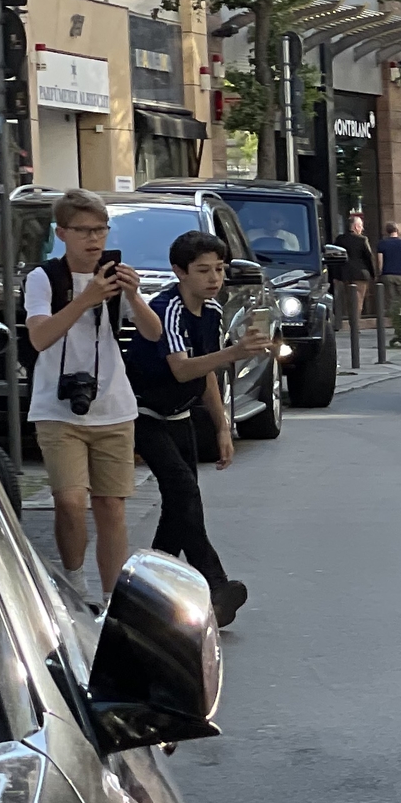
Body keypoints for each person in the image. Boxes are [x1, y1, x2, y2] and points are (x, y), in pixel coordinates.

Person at [126, 231, 276, 627]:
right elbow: (181, 367)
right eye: (203, 270)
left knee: (182, 505)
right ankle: (215, 583)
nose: (214, 278)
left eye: (220, 269)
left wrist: (222, 426)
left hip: (180, 415)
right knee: (184, 492)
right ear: (179, 272)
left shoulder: (211, 313)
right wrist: (236, 352)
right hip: (144, 412)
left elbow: (207, 369)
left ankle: (147, 592)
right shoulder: (169, 309)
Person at [25, 188, 163, 601]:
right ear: (61, 233)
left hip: (113, 405)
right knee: (68, 502)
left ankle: (112, 603)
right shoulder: (44, 278)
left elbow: (154, 334)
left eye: (101, 230)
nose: (94, 240)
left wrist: (134, 296)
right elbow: (39, 337)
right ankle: (74, 584)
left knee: (111, 509)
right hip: (56, 406)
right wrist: (85, 299)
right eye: (83, 230)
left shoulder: (117, 275)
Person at [340, 210, 378, 320]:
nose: (362, 229)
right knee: (358, 300)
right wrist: (373, 274)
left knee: (349, 299)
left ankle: (351, 321)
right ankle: (355, 324)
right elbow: (369, 257)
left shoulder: (340, 239)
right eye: (361, 226)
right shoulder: (362, 239)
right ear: (356, 227)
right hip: (361, 274)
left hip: (345, 274)